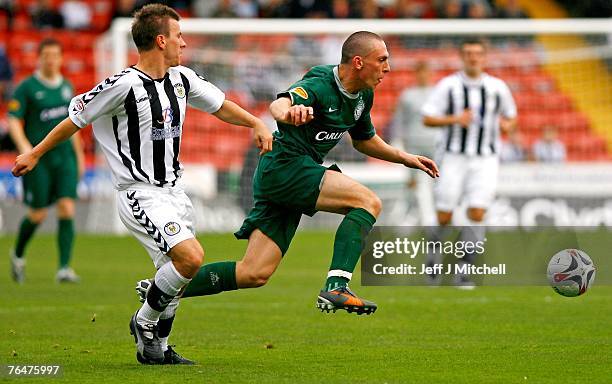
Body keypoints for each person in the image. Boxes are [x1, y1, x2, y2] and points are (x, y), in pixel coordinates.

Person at [12, 4, 273, 365]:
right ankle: (144, 320)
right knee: (191, 257)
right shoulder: (122, 85)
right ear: (161, 40)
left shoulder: (182, 78)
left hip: (174, 192)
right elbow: (76, 118)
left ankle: (157, 350)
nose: (184, 43)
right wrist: (36, 153)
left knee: (177, 273)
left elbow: (220, 105)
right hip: (140, 192)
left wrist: (255, 124)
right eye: (179, 36)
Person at [136, 31, 439, 317]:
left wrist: (405, 158)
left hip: (282, 174)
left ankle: (160, 288)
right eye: (382, 59)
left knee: (253, 272)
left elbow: (364, 141)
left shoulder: (363, 96)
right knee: (367, 202)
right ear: (358, 62)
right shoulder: (321, 81)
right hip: (286, 166)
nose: (388, 67)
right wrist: (288, 112)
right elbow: (280, 104)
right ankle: (336, 286)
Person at [421, 38, 517, 287]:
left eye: (477, 54)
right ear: (462, 57)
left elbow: (511, 117)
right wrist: (455, 119)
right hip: (453, 157)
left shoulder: (497, 87)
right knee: (444, 215)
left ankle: (464, 271)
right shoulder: (449, 85)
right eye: (468, 53)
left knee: (477, 212)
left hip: (486, 159)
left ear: (485, 58)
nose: (473, 58)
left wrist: (507, 125)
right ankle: (433, 256)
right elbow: (428, 118)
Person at [8, 38, 84, 284]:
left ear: (61, 58)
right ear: (39, 58)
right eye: (47, 55)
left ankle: (64, 268)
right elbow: (12, 120)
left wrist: (80, 156)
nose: (51, 60)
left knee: (67, 207)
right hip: (38, 160)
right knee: (38, 214)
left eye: (55, 55)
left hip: (65, 159)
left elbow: (73, 125)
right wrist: (26, 150)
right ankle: (18, 254)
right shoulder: (27, 88)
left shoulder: (67, 87)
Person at [389, 60, 439, 225]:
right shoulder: (408, 95)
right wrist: (397, 140)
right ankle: (409, 215)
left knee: (440, 179)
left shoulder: (438, 93)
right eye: (420, 72)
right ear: (416, 75)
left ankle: (439, 214)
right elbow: (399, 120)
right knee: (412, 181)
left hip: (435, 143)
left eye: (426, 72)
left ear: (430, 74)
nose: (424, 76)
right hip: (413, 143)